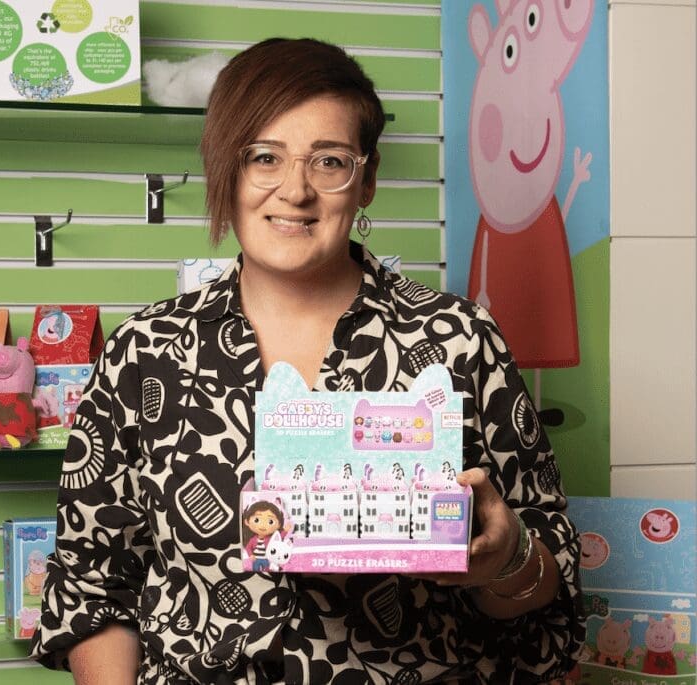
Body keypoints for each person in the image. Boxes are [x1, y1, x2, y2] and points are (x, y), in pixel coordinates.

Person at [32, 37, 585, 684]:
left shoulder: (459, 339)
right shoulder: (143, 353)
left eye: (328, 161)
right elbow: (94, 587)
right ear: (225, 168)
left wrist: (507, 558)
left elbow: (557, 581)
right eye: (263, 157)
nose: (293, 190)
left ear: (368, 179)